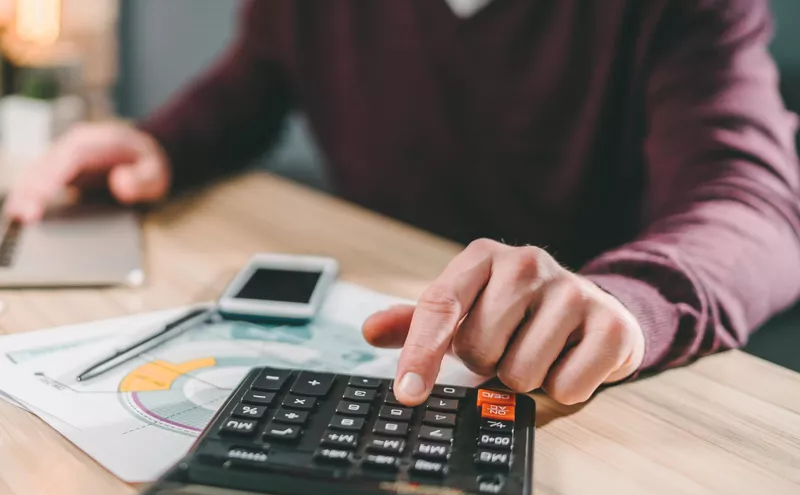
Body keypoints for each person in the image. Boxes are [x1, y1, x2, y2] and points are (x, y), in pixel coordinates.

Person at [5, 0, 799, 408]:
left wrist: (623, 302)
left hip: (571, 390)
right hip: (387, 347)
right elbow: (251, 86)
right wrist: (161, 145)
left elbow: (755, 206)